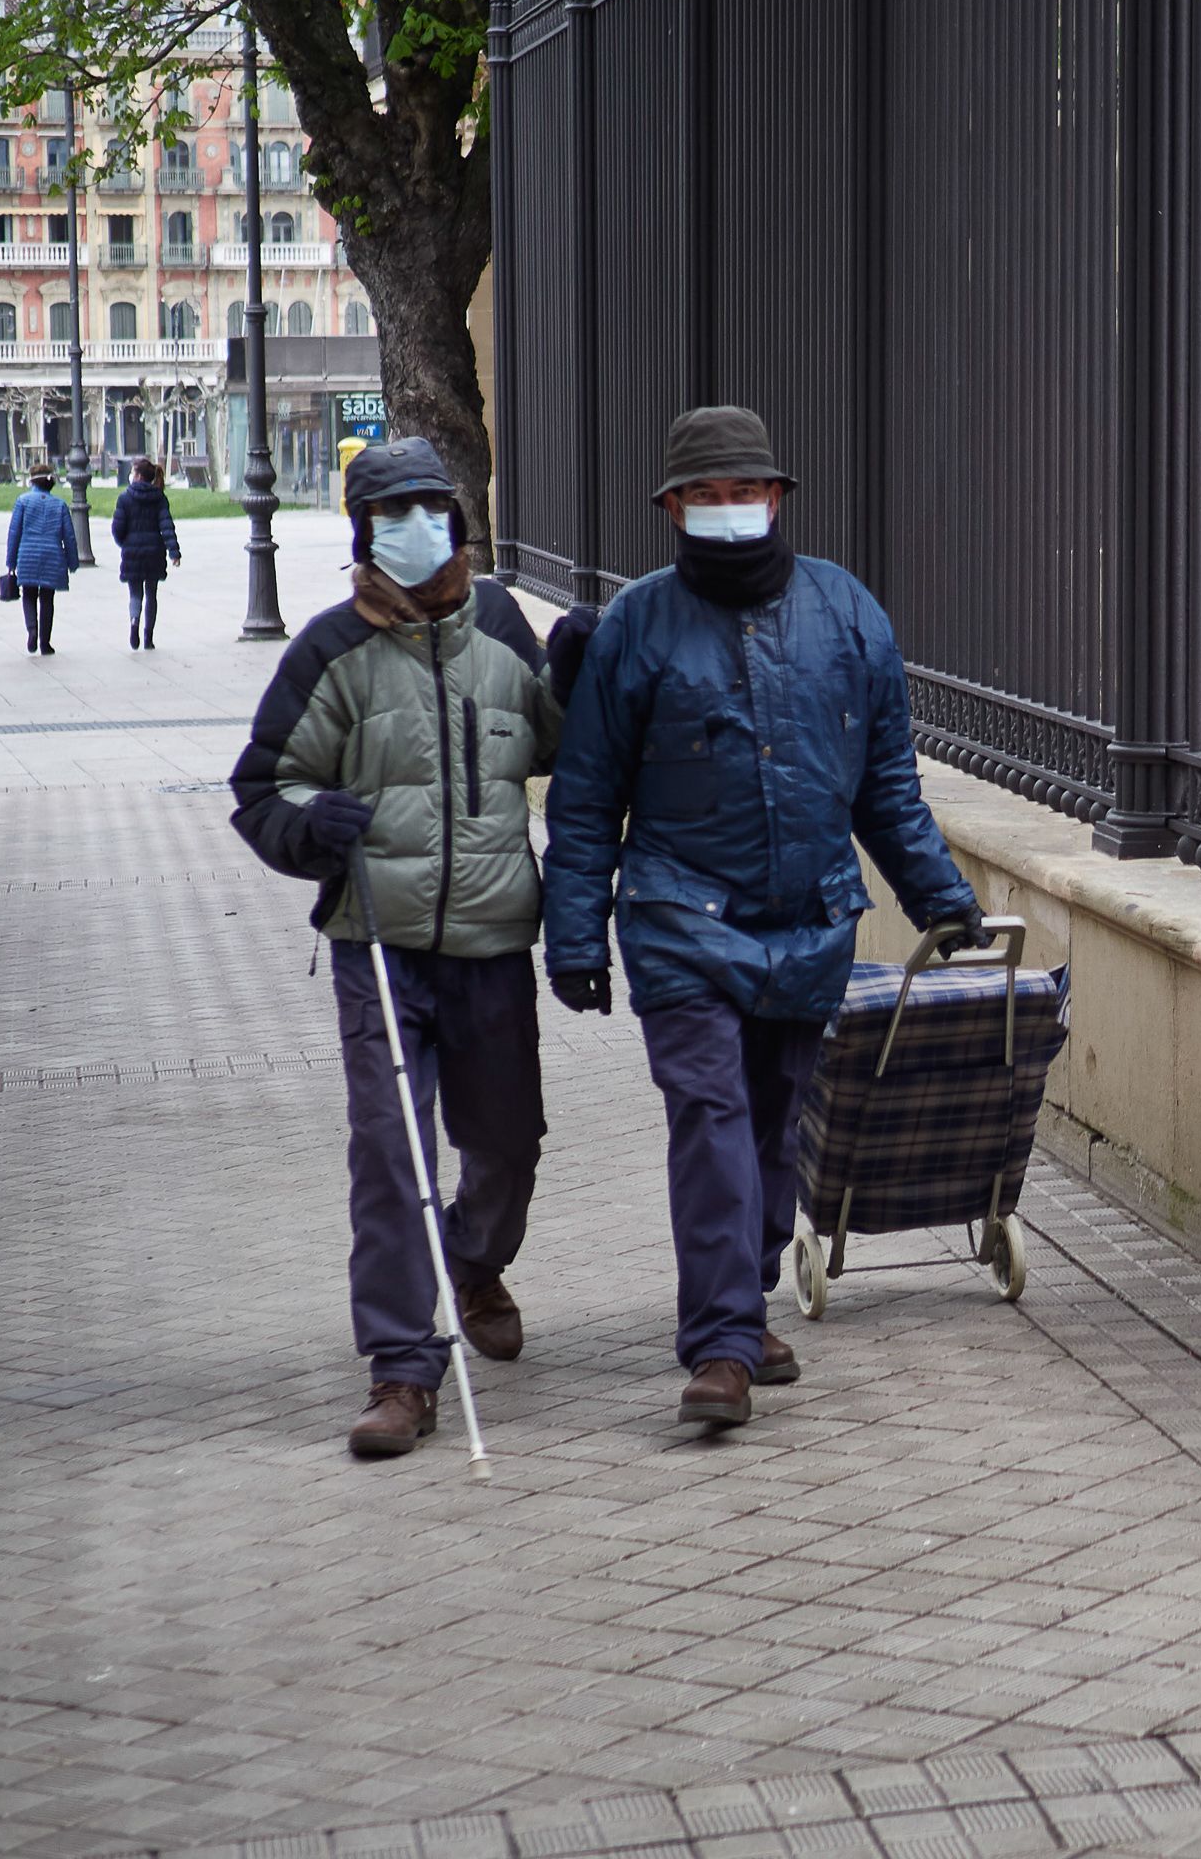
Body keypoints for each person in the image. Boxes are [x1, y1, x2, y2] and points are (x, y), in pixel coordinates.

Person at [544, 405, 985, 1430]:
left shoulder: (847, 614)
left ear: (778, 497)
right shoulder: (636, 629)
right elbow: (585, 793)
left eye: (745, 491)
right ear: (671, 509)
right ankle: (722, 1345)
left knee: (777, 1122)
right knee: (711, 1116)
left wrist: (942, 895)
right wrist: (574, 935)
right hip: (678, 917)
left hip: (810, 921)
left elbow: (885, 785)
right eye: (706, 494)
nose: (729, 509)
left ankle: (742, 1304)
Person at [228, 436, 602, 1459]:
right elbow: (263, 787)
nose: (413, 527)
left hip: (489, 941)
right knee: (391, 1155)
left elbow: (561, 749)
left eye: (429, 508)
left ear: (458, 521)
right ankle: (402, 1365)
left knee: (507, 1143)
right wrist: (313, 826)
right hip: (378, 947)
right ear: (363, 533)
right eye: (391, 513)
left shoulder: (497, 628)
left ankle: (474, 1261)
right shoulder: (328, 650)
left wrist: (571, 679)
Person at [108, 457, 182, 649]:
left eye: (133, 473)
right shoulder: (159, 498)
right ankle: (148, 637)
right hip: (154, 552)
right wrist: (174, 552)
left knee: (135, 594)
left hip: (132, 551)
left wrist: (125, 543)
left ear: (138, 476)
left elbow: (117, 528)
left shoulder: (124, 498)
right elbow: (166, 526)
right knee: (151, 594)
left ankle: (134, 622)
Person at [4, 469, 78, 655]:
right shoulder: (60, 505)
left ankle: (32, 630)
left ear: (32, 482)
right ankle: (45, 642)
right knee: (47, 598)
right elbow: (69, 536)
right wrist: (72, 561)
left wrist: (11, 561)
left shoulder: (23, 502)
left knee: (28, 594)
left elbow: (14, 533)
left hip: (27, 554)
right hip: (52, 555)